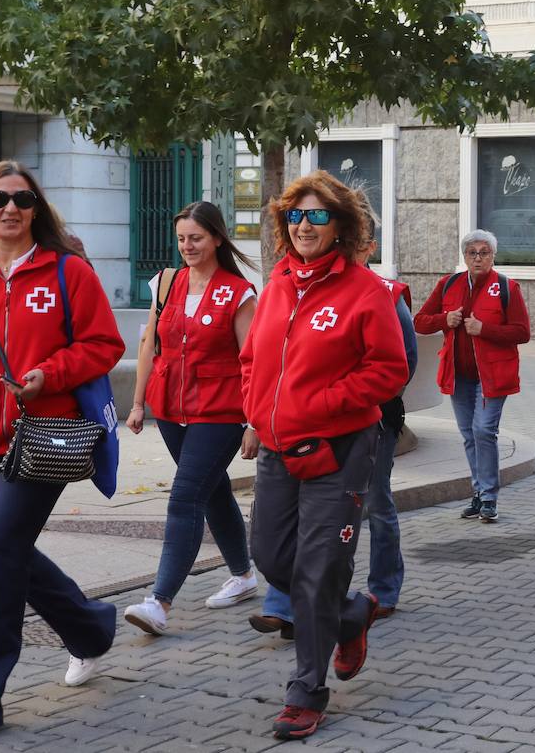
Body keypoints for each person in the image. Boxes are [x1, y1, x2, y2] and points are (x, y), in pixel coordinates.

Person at [0, 162, 124, 747]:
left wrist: (49, 373)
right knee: (2, 551)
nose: (9, 208)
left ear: (35, 208)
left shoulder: (68, 271)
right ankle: (89, 630)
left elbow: (104, 343)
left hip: (46, 436)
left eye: (21, 198)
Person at [238, 170, 409, 741]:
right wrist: (257, 411)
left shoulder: (366, 290)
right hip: (279, 447)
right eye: (295, 216)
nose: (304, 225)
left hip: (339, 448)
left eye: (316, 215)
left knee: (314, 571)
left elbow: (389, 370)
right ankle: (352, 614)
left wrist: (319, 405)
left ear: (340, 225)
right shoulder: (279, 283)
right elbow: (253, 360)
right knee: (268, 554)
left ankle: (306, 691)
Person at [251, 216, 419, 635]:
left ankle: (382, 590)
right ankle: (287, 604)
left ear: (366, 246)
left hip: (367, 426)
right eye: (297, 218)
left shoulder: (383, 294)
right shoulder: (289, 287)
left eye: (359, 243)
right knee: (294, 523)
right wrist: (259, 413)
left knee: (377, 506)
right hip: (301, 431)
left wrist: (332, 401)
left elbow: (401, 365)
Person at [122, 202, 259, 637]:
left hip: (220, 412)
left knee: (184, 499)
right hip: (171, 411)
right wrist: (139, 402)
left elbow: (253, 361)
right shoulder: (165, 283)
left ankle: (158, 602)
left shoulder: (238, 293)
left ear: (217, 238)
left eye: (196, 238)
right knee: (213, 491)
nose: (187, 246)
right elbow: (149, 345)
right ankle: (243, 574)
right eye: (182, 238)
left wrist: (255, 422)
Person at [415, 230, 532, 523]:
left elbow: (522, 332)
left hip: (493, 375)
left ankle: (490, 497)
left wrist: (485, 329)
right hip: (459, 375)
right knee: (469, 435)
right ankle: (479, 494)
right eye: (472, 253)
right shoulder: (448, 284)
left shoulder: (507, 288)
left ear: (493, 256)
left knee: (484, 431)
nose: (478, 258)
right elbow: (420, 321)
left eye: (484, 252)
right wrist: (445, 319)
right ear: (464, 256)